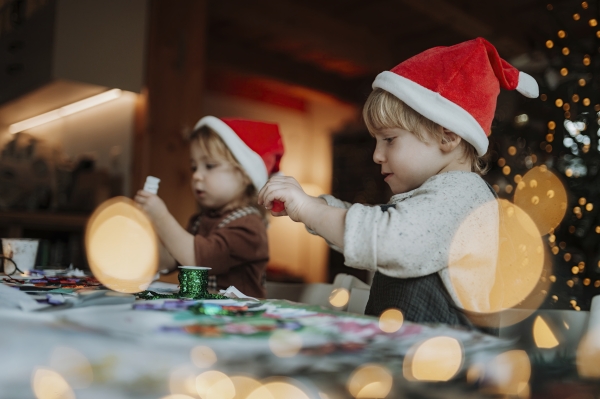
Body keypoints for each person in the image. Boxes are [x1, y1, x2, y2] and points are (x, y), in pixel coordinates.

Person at [258, 38, 539, 326]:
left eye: (389, 139)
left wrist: (310, 209)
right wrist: (317, 207)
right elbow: (378, 231)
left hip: (445, 363)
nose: (378, 155)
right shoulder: (436, 198)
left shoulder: (462, 195)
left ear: (447, 135)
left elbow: (388, 240)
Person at [135, 116, 284, 298]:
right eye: (193, 167)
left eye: (210, 166)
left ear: (245, 175)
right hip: (204, 315)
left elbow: (196, 260)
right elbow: (169, 261)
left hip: (238, 318)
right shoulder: (200, 220)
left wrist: (160, 217)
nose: (197, 175)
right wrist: (149, 227)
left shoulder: (250, 226)